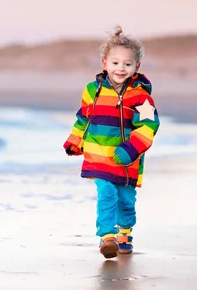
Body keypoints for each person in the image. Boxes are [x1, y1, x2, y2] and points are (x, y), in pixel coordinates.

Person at [63, 26, 160, 259]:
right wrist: (75, 140)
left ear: (136, 67)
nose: (121, 68)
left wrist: (130, 149)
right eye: (115, 63)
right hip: (98, 155)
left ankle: (125, 232)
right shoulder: (92, 91)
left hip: (127, 158)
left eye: (127, 64)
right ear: (105, 63)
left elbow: (149, 126)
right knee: (106, 192)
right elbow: (83, 118)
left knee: (126, 198)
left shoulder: (141, 96)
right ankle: (107, 236)